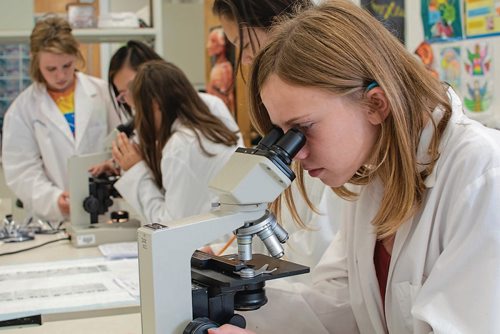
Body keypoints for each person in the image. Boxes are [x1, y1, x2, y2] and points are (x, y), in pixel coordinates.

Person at [210, 0, 500, 333]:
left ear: (375, 104)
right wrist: (223, 304)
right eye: (283, 134)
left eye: (302, 130)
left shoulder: (482, 175)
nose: (295, 154)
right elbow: (338, 307)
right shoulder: (374, 178)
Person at [212, 0, 340, 276]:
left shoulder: (333, 145)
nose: (246, 60)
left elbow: (316, 256)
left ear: (279, 26)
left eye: (245, 46)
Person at [2, 16, 121, 223]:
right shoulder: (22, 109)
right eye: (51, 69)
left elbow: (121, 142)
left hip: (105, 212)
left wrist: (112, 162)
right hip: (52, 220)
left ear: (76, 54)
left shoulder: (101, 93)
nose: (61, 75)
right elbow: (21, 171)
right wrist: (54, 199)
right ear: (34, 60)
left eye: (67, 65)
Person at [108, 59, 241, 225]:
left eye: (139, 110)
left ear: (155, 104)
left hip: (208, 244)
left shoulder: (180, 145)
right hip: (227, 238)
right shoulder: (210, 126)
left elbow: (168, 226)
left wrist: (136, 170)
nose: (140, 119)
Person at [206, 27, 235, 113]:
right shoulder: (217, 66)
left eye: (213, 41)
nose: (208, 45)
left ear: (222, 44)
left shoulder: (225, 68)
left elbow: (225, 99)